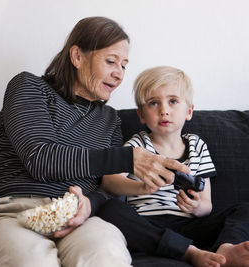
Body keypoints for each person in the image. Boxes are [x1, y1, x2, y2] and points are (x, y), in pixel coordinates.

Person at [0, 17, 190, 267]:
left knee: (108, 257)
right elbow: (40, 158)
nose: (119, 74)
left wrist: (91, 203)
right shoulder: (28, 86)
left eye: (124, 65)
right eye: (111, 61)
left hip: (81, 219)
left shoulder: (109, 119)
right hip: (16, 213)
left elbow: (110, 190)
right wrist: (129, 159)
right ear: (77, 57)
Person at [98, 66, 249, 267]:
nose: (164, 110)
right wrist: (142, 187)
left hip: (190, 225)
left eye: (173, 101)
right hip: (148, 226)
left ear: (189, 111)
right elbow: (109, 181)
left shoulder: (197, 146)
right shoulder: (137, 145)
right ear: (141, 115)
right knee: (110, 209)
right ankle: (190, 253)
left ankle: (224, 250)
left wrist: (196, 207)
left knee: (245, 209)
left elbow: (207, 205)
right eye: (153, 103)